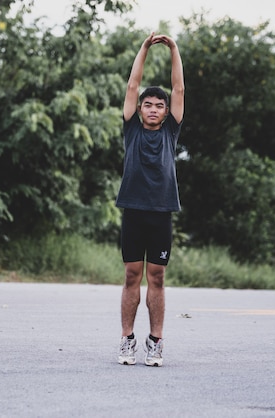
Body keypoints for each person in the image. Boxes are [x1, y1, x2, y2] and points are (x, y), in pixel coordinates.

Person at [116, 32, 185, 367]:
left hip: (161, 212)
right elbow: (132, 86)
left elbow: (180, 90)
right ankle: (127, 340)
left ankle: (155, 341)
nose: (154, 108)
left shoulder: (172, 131)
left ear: (166, 111)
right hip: (133, 210)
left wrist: (173, 50)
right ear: (140, 109)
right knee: (132, 274)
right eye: (149, 104)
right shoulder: (132, 128)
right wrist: (144, 47)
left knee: (156, 276)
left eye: (160, 105)